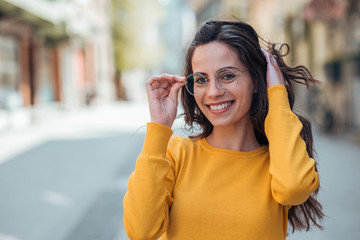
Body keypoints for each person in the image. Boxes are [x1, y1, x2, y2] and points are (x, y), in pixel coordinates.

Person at [123, 20, 324, 240]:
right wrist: (158, 129)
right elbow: (140, 232)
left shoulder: (279, 162)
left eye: (227, 75)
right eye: (201, 79)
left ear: (257, 81)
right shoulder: (175, 154)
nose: (213, 92)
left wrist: (277, 93)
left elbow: (294, 188)